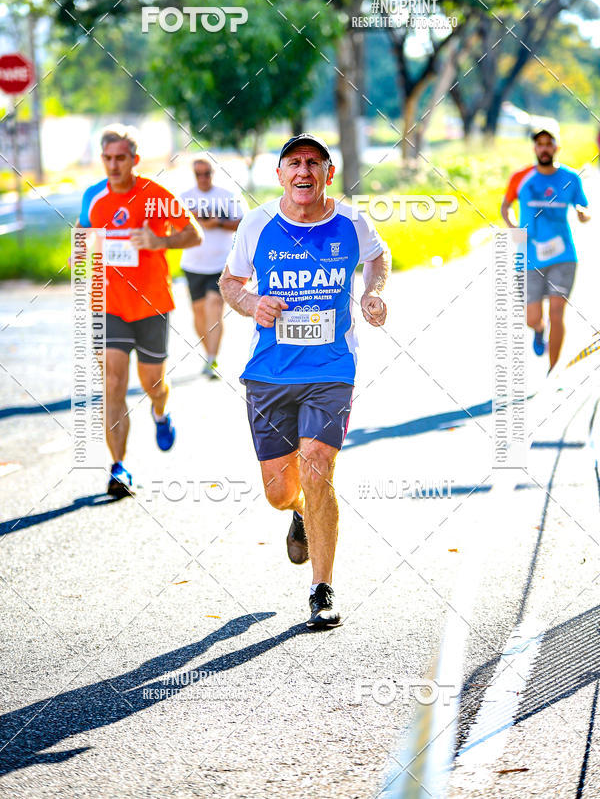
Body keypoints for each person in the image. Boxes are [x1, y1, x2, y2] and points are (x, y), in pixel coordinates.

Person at [220, 133, 390, 629]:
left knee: (317, 464)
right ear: (279, 175)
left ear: (328, 174)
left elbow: (379, 258)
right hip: (270, 373)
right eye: (293, 163)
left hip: (332, 369)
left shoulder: (351, 222)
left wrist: (372, 293)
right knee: (279, 491)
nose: (303, 171)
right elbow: (230, 284)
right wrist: (254, 304)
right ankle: (298, 513)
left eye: (313, 163)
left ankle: (322, 589)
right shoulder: (257, 224)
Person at [77, 124, 202, 498]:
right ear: (102, 159)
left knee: (153, 385)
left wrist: (158, 240)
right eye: (108, 158)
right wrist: (81, 258)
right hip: (108, 304)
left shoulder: (154, 194)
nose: (114, 166)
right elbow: (83, 240)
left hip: (151, 305)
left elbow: (193, 233)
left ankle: (160, 413)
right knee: (113, 384)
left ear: (135, 159)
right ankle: (118, 468)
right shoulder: (94, 197)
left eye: (121, 158)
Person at [501, 127, 591, 371]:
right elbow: (505, 206)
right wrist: (512, 226)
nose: (544, 148)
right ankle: (538, 331)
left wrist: (583, 214)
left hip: (563, 255)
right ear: (534, 148)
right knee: (532, 318)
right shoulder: (521, 177)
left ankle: (553, 372)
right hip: (529, 255)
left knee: (557, 311)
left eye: (549, 144)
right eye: (539, 144)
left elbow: (584, 208)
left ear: (556, 147)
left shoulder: (571, 178)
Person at [180, 157, 247, 378]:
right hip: (193, 265)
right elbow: (172, 228)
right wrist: (196, 222)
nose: (203, 178)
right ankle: (207, 351)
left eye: (206, 173)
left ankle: (212, 359)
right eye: (198, 174)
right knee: (199, 313)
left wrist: (217, 222)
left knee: (214, 306)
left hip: (220, 264)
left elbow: (242, 223)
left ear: (213, 173)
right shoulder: (185, 199)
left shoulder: (227, 196)